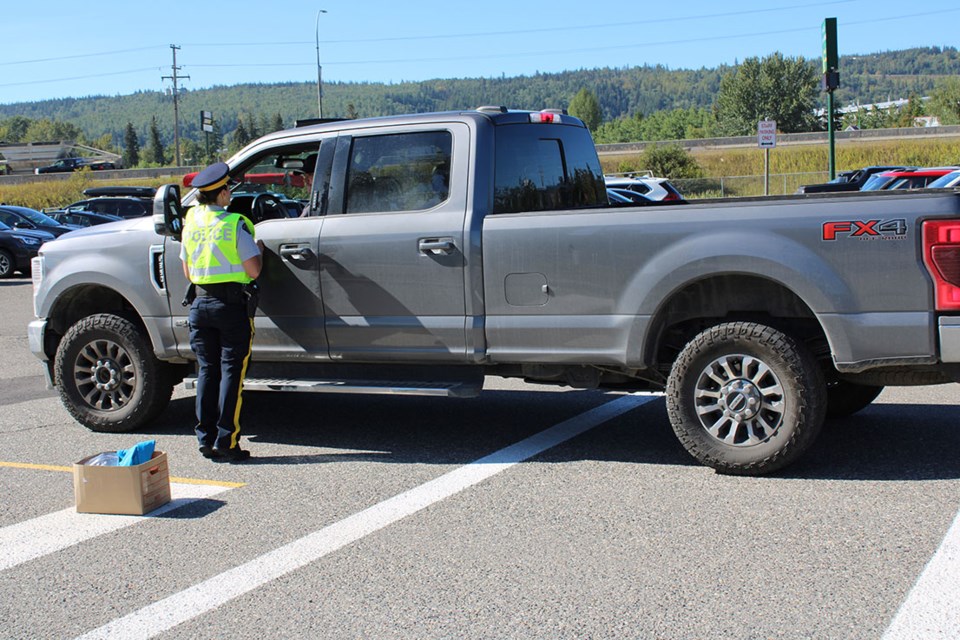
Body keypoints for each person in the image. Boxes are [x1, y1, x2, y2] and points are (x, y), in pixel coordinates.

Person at [180, 162, 263, 462]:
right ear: (223, 193)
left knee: (207, 371)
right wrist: (260, 251)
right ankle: (227, 441)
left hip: (199, 306)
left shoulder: (191, 221)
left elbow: (187, 270)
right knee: (231, 373)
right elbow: (253, 271)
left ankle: (205, 439)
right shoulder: (233, 223)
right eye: (229, 189)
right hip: (230, 307)